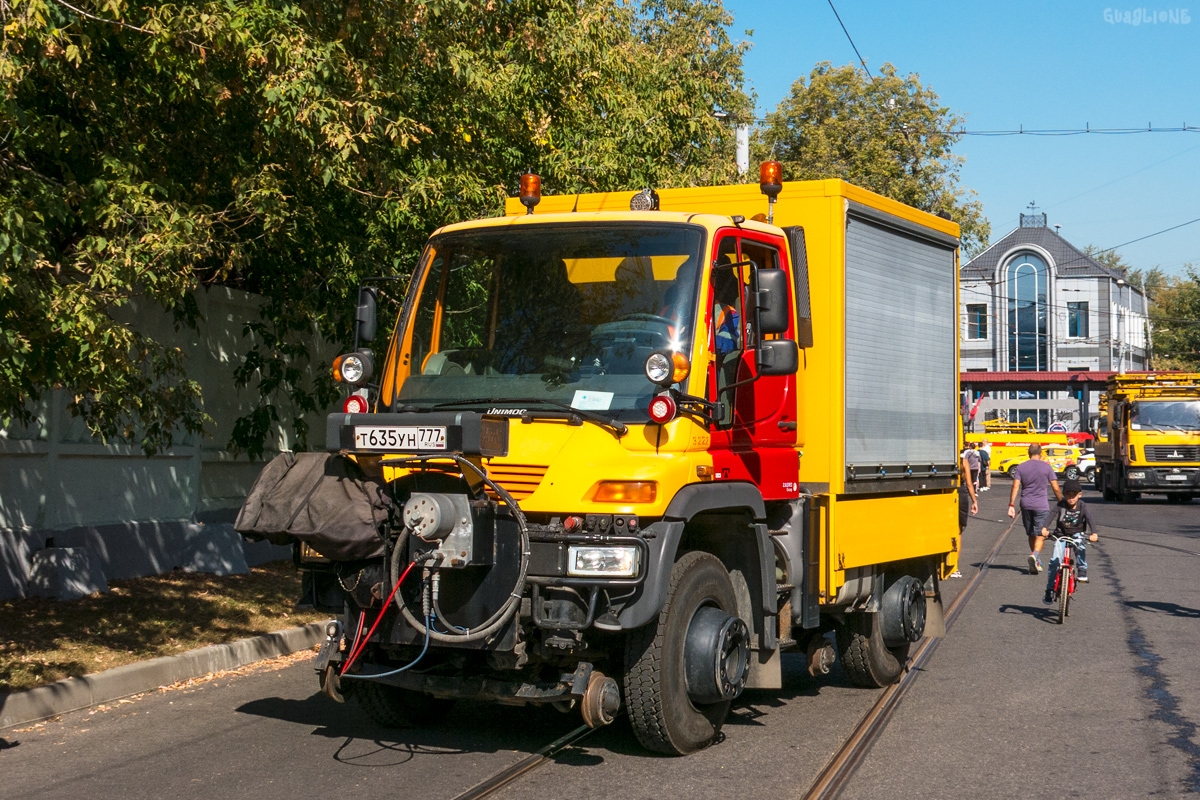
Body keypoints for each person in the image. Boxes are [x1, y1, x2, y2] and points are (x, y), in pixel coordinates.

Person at [1007, 443, 1063, 575]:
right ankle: (1035, 556)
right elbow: (1055, 487)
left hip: (1025, 504)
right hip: (1041, 505)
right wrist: (1061, 501)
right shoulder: (1047, 467)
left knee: (1031, 533)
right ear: (1041, 453)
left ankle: (1036, 559)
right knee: (1040, 533)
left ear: (1028, 453)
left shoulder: (1021, 467)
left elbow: (1015, 486)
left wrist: (1011, 504)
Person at [1042, 479, 1100, 603]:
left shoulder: (1082, 506)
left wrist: (1094, 533)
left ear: (1079, 495)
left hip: (1077, 533)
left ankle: (1082, 568)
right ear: (1064, 495)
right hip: (1061, 534)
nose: (1071, 498)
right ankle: (1050, 590)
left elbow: (1090, 519)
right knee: (1054, 561)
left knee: (1080, 545)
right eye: (1068, 495)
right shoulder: (1060, 505)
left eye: (1074, 495)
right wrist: (1044, 528)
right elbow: (1051, 516)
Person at [953, 448, 979, 578]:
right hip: (960, 495)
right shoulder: (963, 462)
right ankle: (954, 567)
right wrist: (974, 501)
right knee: (957, 533)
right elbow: (969, 484)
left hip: (946, 493)